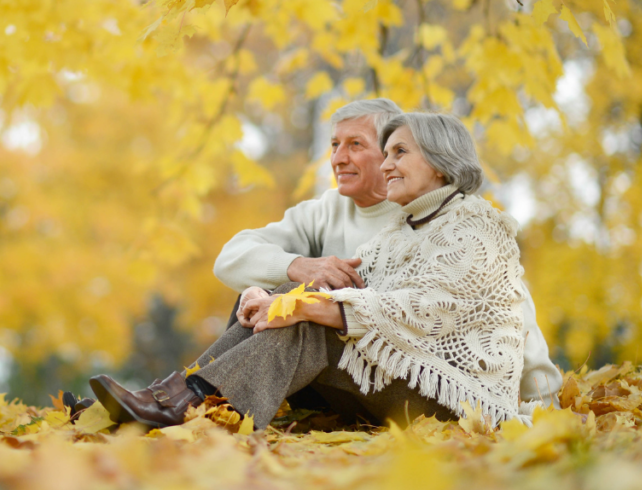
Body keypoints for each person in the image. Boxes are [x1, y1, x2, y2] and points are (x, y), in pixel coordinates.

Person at [91, 113, 535, 430]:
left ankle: (191, 408)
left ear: (439, 164)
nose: (386, 165)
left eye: (399, 153)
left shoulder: (476, 228)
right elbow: (360, 291)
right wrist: (276, 298)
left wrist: (302, 308)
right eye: (385, 153)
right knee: (297, 290)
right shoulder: (403, 230)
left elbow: (421, 310)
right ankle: (175, 400)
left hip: (458, 405)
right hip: (398, 382)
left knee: (309, 315)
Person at [214, 100, 561, 407]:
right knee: (267, 298)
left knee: (295, 306)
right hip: (364, 367)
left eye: (355, 145)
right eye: (334, 144)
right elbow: (232, 258)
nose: (338, 158)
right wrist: (295, 269)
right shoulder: (353, 217)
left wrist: (544, 396)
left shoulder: (450, 219)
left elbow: (510, 310)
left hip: (432, 383)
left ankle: (198, 400)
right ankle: (194, 398)